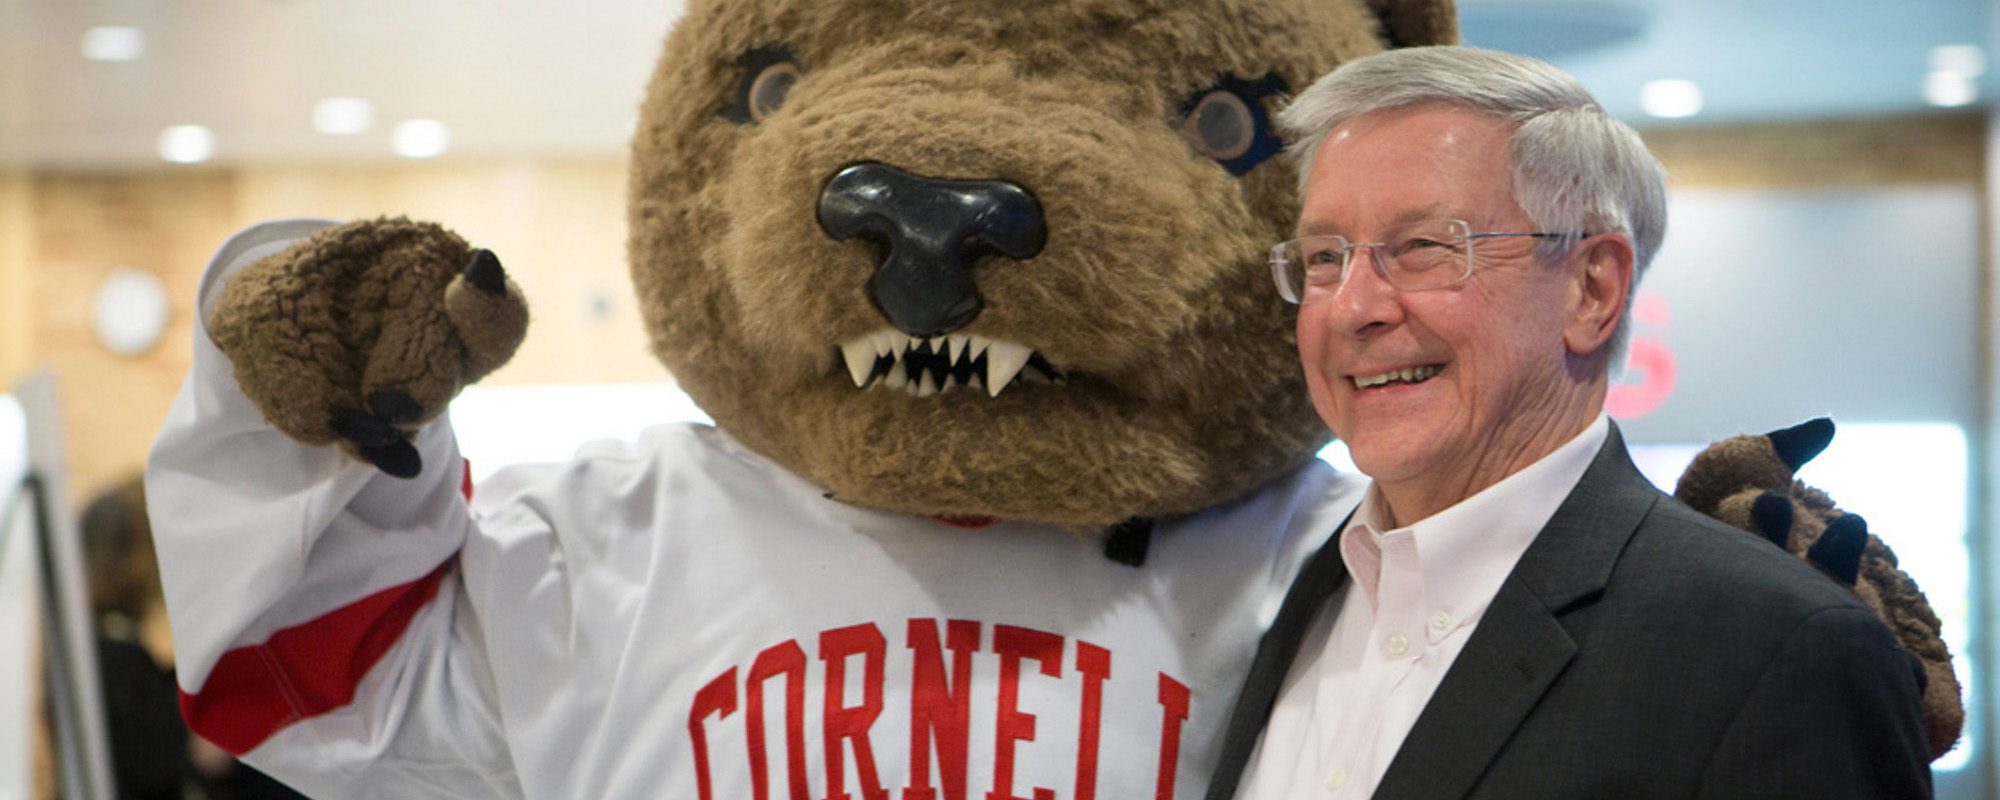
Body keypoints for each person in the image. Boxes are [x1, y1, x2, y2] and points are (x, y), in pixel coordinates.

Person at [1204, 46, 1932, 799]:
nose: (1353, 308)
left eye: (1423, 248)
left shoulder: (1776, 649)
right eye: (1326, 257)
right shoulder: (1300, 593)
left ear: (1592, 290)